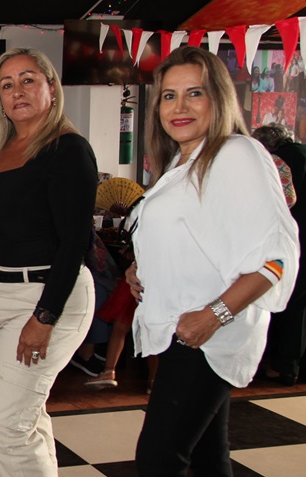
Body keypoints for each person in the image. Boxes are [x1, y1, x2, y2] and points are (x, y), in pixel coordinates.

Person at [126, 46, 299, 475]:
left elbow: (275, 258)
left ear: (218, 99)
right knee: (206, 457)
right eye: (168, 96)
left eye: (194, 93)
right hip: (185, 331)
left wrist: (213, 315)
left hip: (206, 335)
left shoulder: (235, 153)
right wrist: (140, 268)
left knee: (158, 459)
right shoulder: (184, 162)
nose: (179, 107)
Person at [0, 48, 98, 476]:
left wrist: (45, 316)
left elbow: (75, 242)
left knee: (2, 427)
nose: (17, 90)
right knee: (23, 419)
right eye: (6, 84)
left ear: (51, 89)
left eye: (28, 79)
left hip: (43, 297)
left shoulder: (67, 150)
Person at [253, 123, 306, 386]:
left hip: (292, 240)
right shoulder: (302, 152)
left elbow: (283, 202)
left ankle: (283, 367)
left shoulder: (276, 162)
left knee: (287, 303)